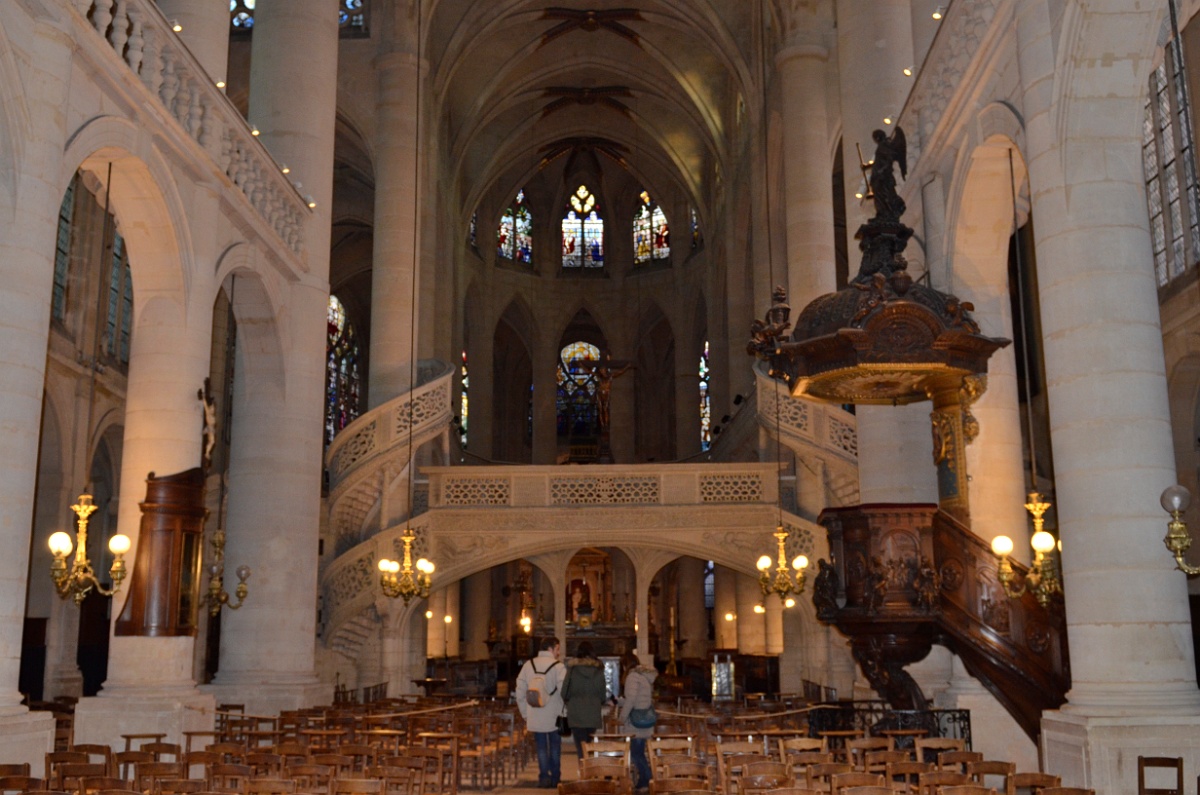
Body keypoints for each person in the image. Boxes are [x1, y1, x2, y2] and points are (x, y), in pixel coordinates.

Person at [515, 636, 567, 788]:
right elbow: (565, 691)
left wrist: (525, 713)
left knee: (541, 747)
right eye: (557, 649)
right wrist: (565, 711)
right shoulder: (558, 666)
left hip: (535, 714)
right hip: (554, 715)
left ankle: (544, 778)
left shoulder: (528, 665)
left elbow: (519, 692)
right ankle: (556, 778)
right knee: (555, 747)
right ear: (551, 648)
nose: (558, 653)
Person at [618, 651, 657, 794]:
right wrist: (618, 702)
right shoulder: (643, 677)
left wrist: (622, 717)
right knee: (639, 753)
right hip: (644, 719)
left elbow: (632, 699)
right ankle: (643, 781)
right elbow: (638, 697)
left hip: (636, 723)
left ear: (625, 665)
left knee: (636, 754)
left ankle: (648, 780)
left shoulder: (632, 677)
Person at [561, 641, 607, 759]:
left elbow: (564, 692)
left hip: (576, 712)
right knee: (589, 745)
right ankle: (588, 771)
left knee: (580, 746)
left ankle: (583, 772)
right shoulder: (598, 670)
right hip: (592, 713)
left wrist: (570, 700)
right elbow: (602, 694)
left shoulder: (572, 670)